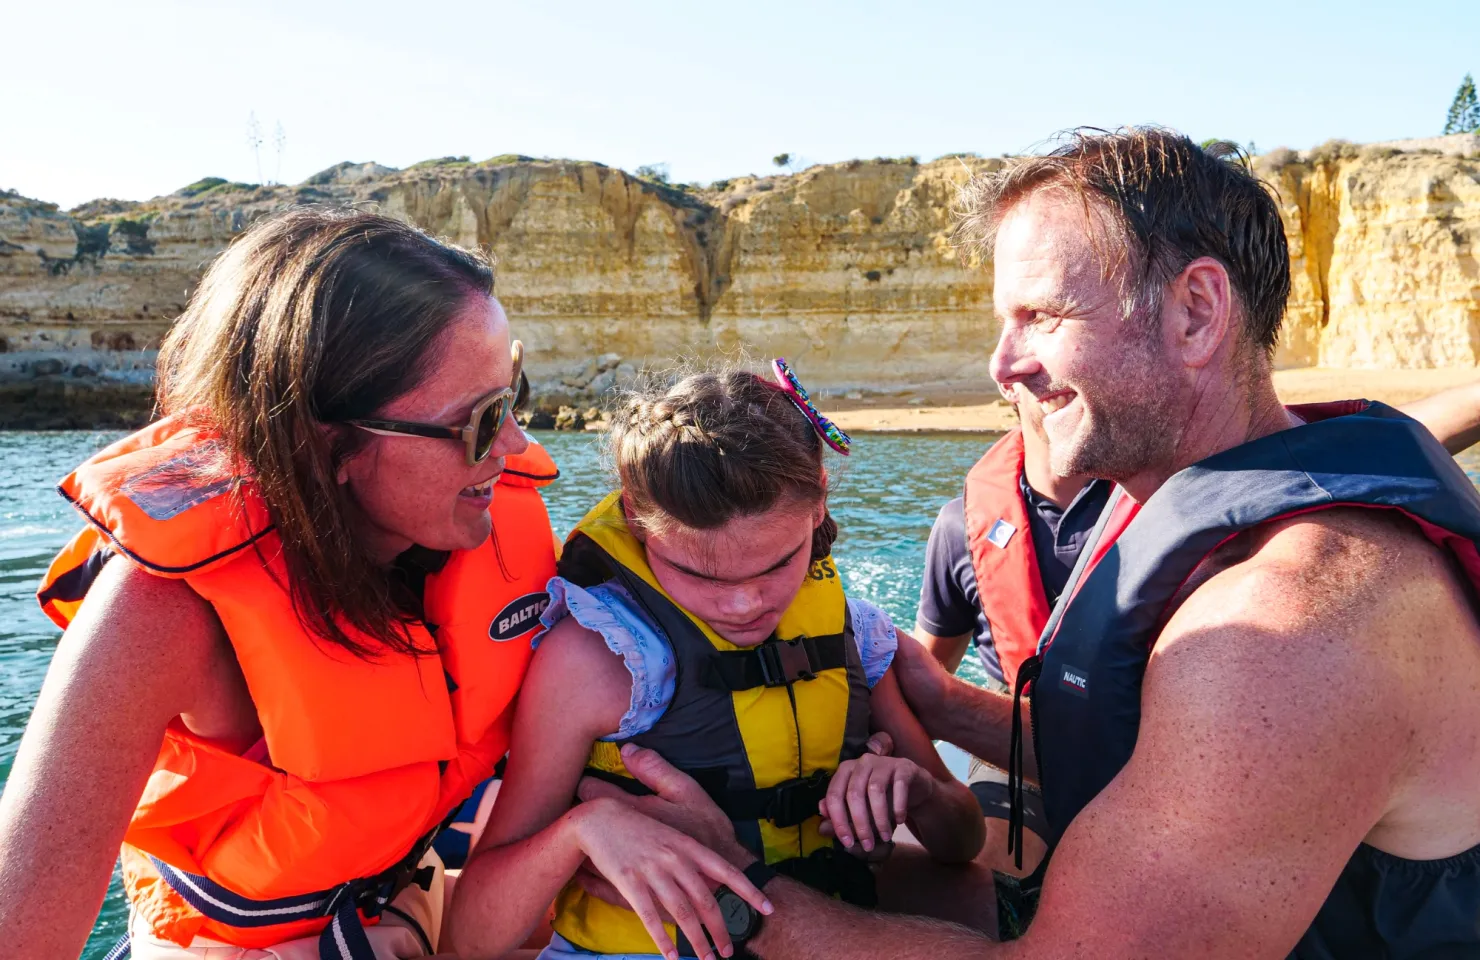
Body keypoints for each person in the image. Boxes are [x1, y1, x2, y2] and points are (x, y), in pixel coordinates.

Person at [577, 127, 1480, 958]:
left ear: (1198, 312)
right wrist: (921, 700)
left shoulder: (1289, 627)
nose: (1001, 366)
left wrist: (725, 882)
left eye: (1041, 317)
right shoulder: (1162, 503)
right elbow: (1143, 749)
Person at [0, 210, 563, 960]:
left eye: (513, 396)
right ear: (329, 445)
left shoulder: (488, 536)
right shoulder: (162, 609)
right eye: (485, 419)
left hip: (420, 908)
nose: (519, 446)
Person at [446, 364, 984, 960]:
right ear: (634, 519)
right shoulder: (596, 662)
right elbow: (470, 937)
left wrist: (918, 791)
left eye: (779, 564)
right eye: (698, 575)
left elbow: (963, 838)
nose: (745, 605)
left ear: (818, 503)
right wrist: (582, 831)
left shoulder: (849, 633)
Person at [916, 377, 1480, 884]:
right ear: (1009, 392)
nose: (1029, 372)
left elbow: (1344, 460)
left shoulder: (1163, 489)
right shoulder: (961, 526)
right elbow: (928, 663)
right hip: (1018, 733)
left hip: (1161, 721)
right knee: (996, 864)